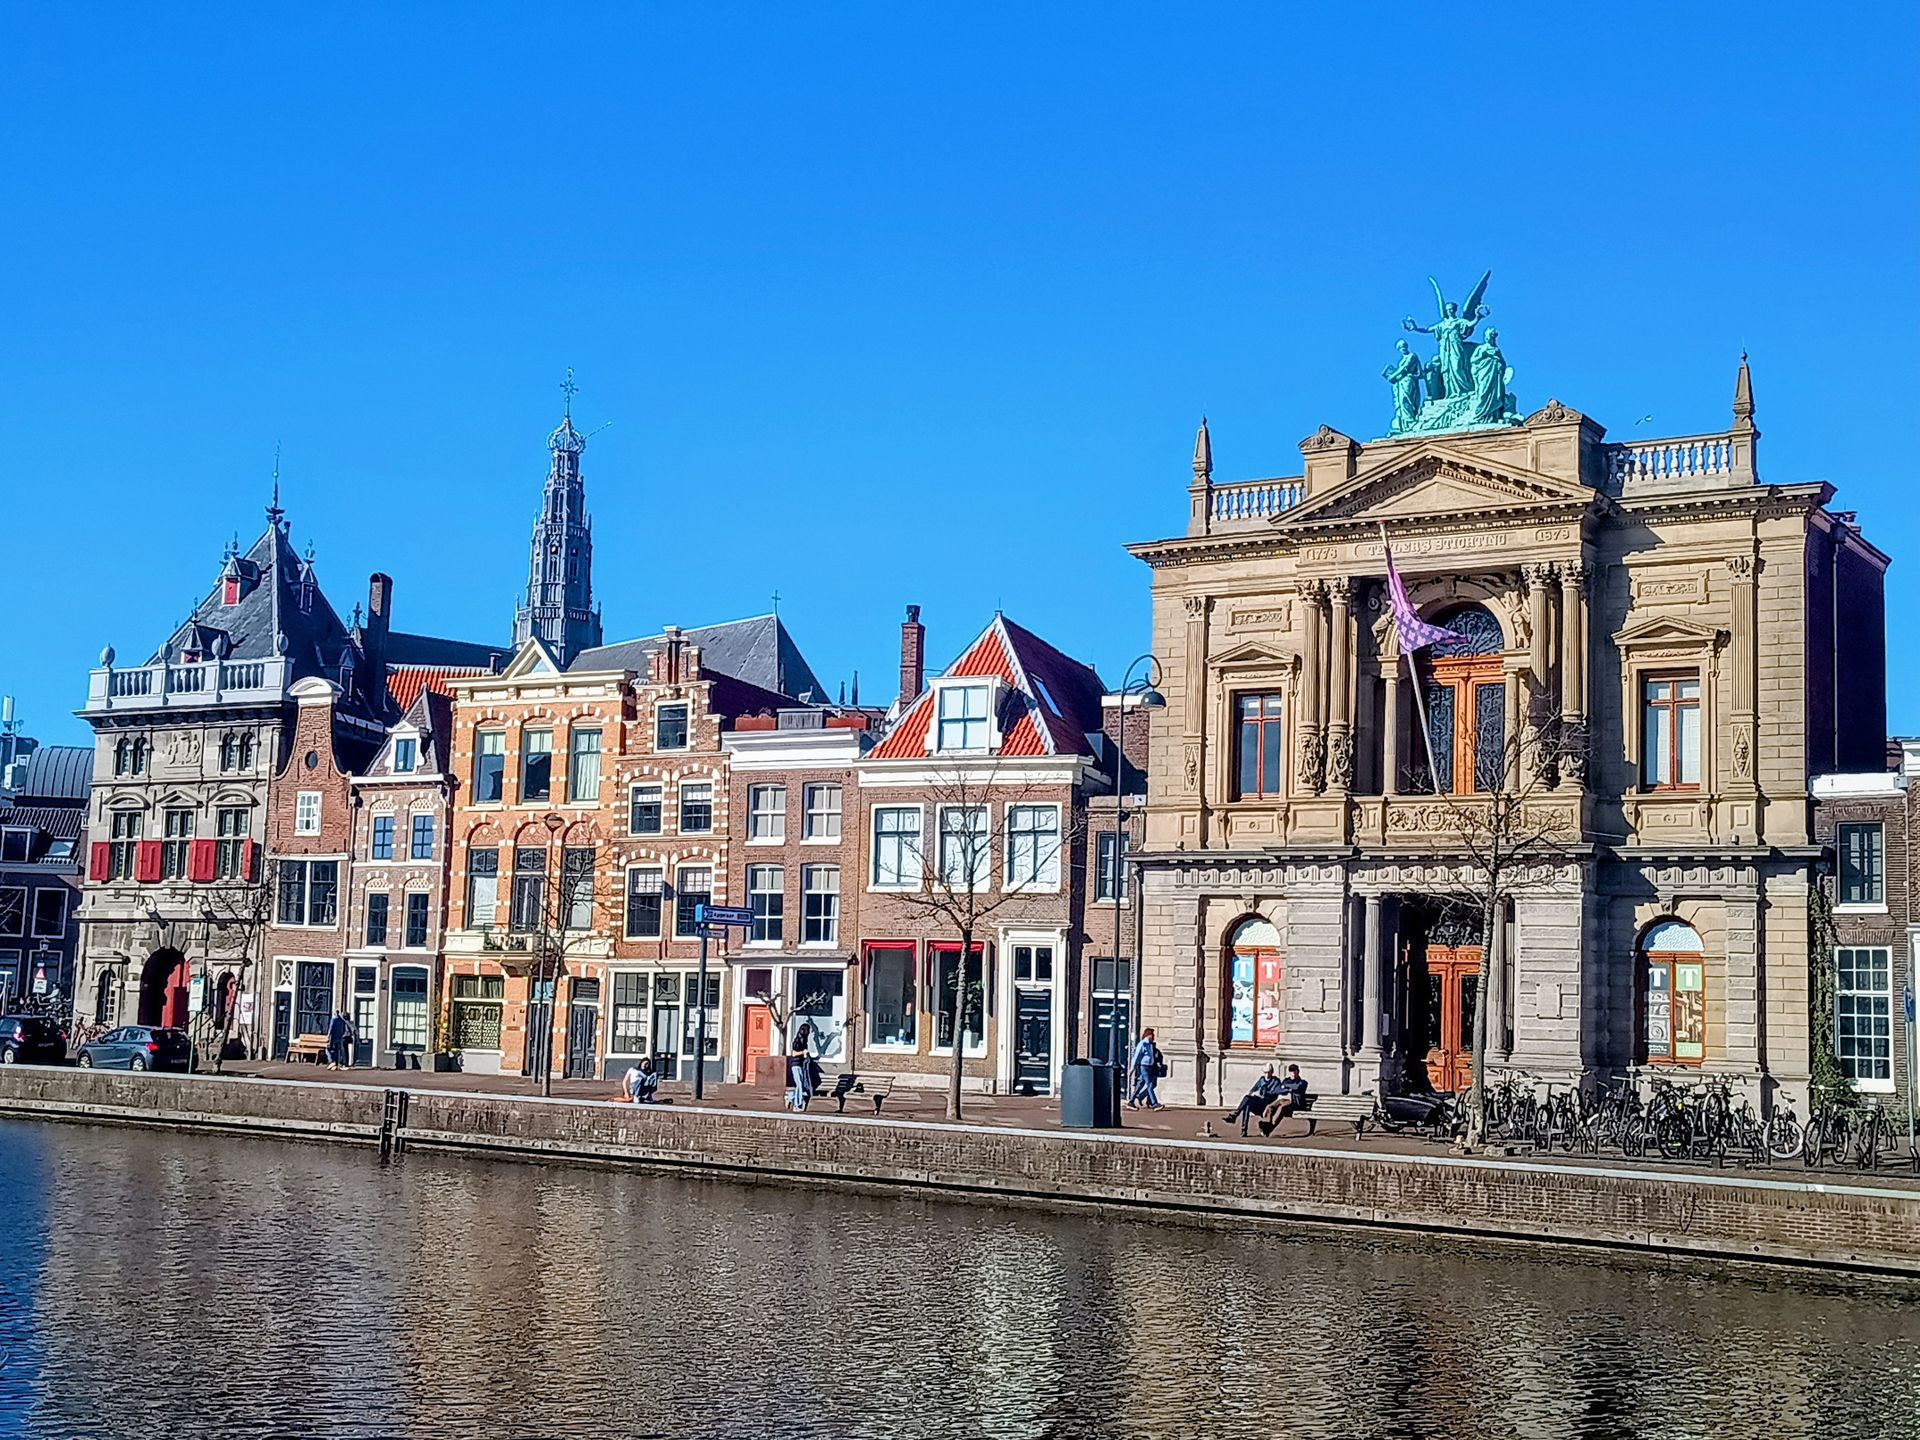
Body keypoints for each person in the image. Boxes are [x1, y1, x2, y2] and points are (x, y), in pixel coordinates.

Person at [1257, 1064, 1311, 1137]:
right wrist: (1288, 1089)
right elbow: (1277, 1090)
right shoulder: (1286, 1080)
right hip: (1281, 1099)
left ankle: (1267, 1127)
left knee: (1281, 1108)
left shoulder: (1302, 1082)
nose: (1293, 1074)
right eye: (1291, 1072)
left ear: (1298, 1072)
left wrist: (1285, 1087)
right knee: (1270, 1107)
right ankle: (1267, 1125)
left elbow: (1297, 1087)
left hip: (1293, 1102)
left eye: (1295, 1072)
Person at [1226, 1065, 1285, 1130]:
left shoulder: (1275, 1081)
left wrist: (1262, 1093)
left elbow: (1274, 1092)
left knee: (1247, 1101)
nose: (1267, 1074)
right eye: (1265, 1072)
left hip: (1267, 1103)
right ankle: (1243, 1128)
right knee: (1247, 1103)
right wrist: (1253, 1093)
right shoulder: (1262, 1079)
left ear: (1272, 1072)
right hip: (1259, 1101)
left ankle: (1235, 1116)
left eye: (1269, 1072)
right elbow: (1253, 1089)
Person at [1128, 1027, 1164, 1110]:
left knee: (1140, 1083)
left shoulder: (1151, 1045)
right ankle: (1154, 1103)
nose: (1153, 1036)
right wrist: (1132, 1069)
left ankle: (1132, 1101)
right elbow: (1136, 1056)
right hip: (1144, 1066)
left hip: (1150, 1066)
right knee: (1150, 1084)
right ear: (1148, 1035)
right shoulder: (1142, 1044)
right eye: (1152, 1035)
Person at [787, 1022, 817, 1111]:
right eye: (809, 1030)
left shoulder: (804, 1041)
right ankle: (797, 1105)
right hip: (795, 1065)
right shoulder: (797, 1041)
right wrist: (803, 1053)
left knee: (800, 1085)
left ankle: (790, 1096)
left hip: (801, 1065)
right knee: (799, 1084)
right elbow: (793, 1053)